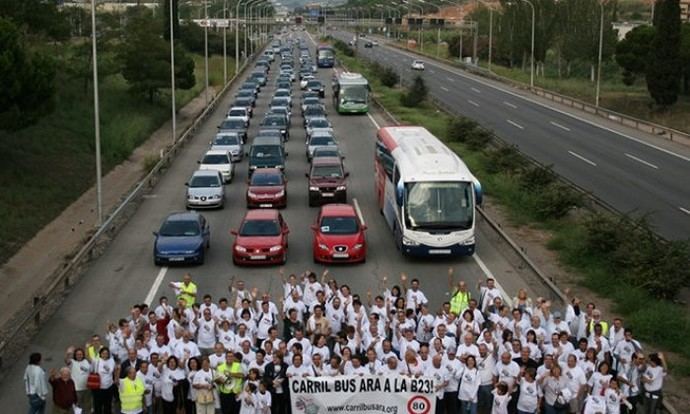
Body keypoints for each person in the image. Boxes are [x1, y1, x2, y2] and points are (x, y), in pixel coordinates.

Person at [66, 347, 92, 414]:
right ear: (75, 355)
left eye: (81, 354)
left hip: (87, 389)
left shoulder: (86, 361)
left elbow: (92, 362)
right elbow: (67, 361)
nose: (79, 356)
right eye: (77, 354)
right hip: (76, 389)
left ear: (83, 355)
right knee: (77, 407)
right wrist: (68, 353)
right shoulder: (72, 362)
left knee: (87, 406)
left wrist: (87, 350)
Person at [92, 347, 118, 414]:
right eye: (103, 353)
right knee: (98, 406)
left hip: (109, 387)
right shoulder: (96, 361)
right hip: (98, 388)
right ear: (100, 354)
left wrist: (116, 378)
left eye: (106, 353)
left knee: (108, 406)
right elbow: (91, 371)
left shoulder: (111, 361)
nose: (105, 355)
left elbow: (115, 369)